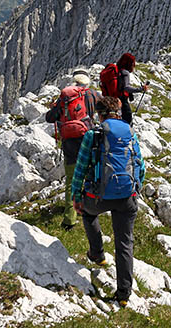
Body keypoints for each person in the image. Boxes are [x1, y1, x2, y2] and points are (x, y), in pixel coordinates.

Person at [72, 96, 145, 306]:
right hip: (127, 198)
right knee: (125, 243)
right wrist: (136, 188)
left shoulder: (93, 133)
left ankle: (97, 254)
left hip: (99, 197)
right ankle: (123, 295)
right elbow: (140, 163)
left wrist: (77, 197)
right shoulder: (130, 132)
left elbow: (81, 168)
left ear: (99, 114)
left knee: (88, 213)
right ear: (118, 112)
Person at [45, 69, 100, 228]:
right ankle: (91, 209)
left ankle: (70, 219)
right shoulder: (92, 94)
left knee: (71, 181)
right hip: (87, 140)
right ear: (87, 83)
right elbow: (109, 105)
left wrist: (56, 108)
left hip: (69, 143)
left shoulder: (65, 98)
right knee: (90, 175)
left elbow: (49, 118)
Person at [115, 52, 148, 124]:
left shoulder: (117, 70)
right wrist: (141, 89)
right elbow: (126, 87)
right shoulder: (125, 72)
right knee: (128, 119)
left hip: (114, 98)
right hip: (122, 100)